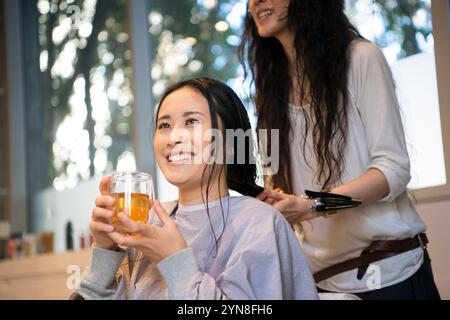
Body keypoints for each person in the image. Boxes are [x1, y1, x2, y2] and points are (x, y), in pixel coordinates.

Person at [239, 0, 441, 299]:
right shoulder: (267, 94)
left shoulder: (362, 58)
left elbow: (393, 170)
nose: (256, 1)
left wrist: (312, 205)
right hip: (320, 285)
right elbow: (272, 179)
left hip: (389, 276)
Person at [75, 78, 318, 300]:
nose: (173, 138)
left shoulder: (260, 223)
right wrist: (106, 250)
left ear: (232, 144)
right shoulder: (145, 225)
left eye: (191, 121)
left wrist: (174, 261)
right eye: (164, 125)